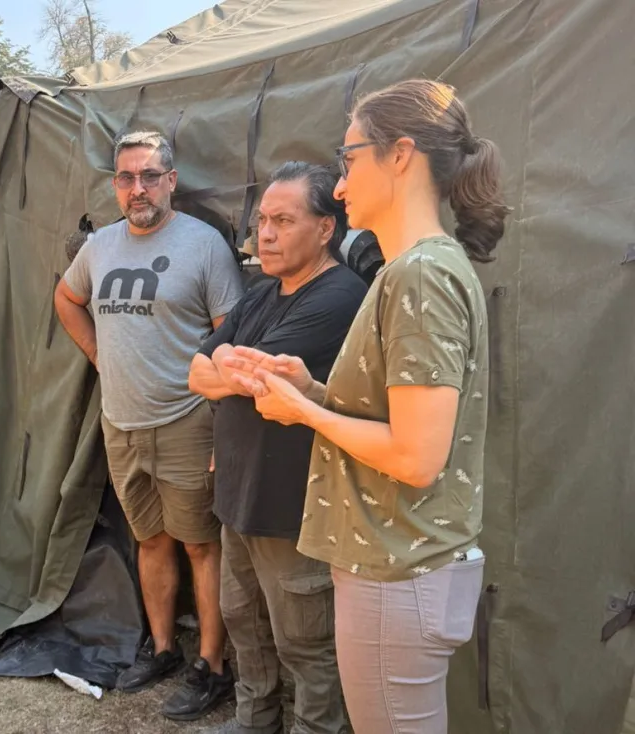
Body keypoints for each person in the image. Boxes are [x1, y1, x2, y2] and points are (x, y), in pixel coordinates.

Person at [224, 79, 510, 733]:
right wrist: (312, 387)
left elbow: (414, 456)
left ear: (401, 154)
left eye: (349, 160)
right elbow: (396, 420)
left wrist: (305, 414)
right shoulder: (412, 270)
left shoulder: (420, 276)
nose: (343, 185)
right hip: (399, 569)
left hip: (396, 572)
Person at [54, 131, 245, 721]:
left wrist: (221, 419)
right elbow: (66, 298)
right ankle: (163, 648)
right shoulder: (102, 246)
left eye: (149, 176)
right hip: (122, 422)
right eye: (126, 178)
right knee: (151, 540)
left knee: (201, 544)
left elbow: (231, 333)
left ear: (171, 180)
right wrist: (98, 357)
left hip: (187, 420)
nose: (138, 189)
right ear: (115, 184)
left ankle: (212, 664)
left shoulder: (204, 245)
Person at [189, 162, 364, 734]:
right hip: (239, 491)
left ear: (325, 229)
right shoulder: (261, 292)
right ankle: (254, 720)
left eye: (283, 220)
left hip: (294, 506)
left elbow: (259, 378)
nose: (264, 233)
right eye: (262, 220)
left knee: (306, 641)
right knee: (244, 621)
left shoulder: (339, 295)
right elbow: (196, 371)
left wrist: (227, 365)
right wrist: (226, 366)